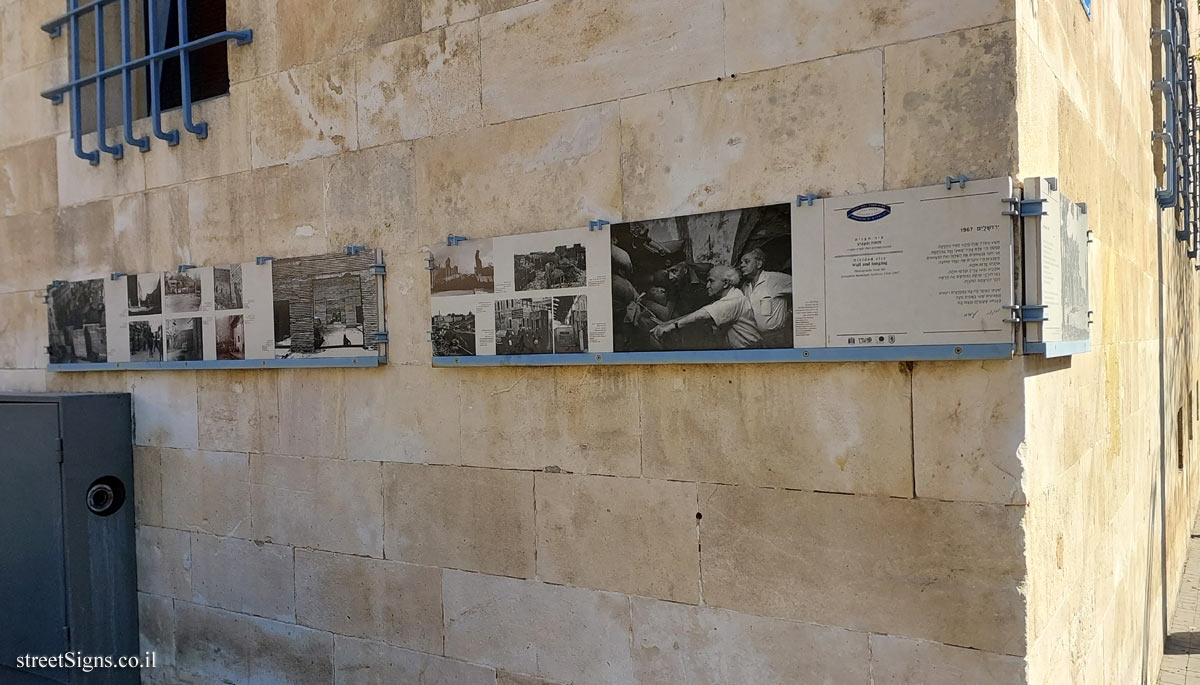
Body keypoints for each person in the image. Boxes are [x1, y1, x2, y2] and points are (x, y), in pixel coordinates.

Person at [651, 266, 761, 349]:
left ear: (726, 283)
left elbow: (701, 315)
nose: (707, 285)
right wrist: (666, 323)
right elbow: (696, 313)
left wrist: (669, 327)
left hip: (750, 350)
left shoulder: (734, 301)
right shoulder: (727, 297)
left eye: (711, 281)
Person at [738, 248, 793, 347]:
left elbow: (803, 289)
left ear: (759, 264)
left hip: (777, 338)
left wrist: (791, 312)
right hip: (756, 339)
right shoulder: (745, 286)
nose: (742, 265)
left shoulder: (776, 279)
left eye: (746, 261)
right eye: (741, 262)